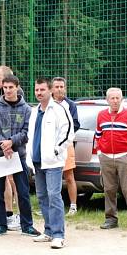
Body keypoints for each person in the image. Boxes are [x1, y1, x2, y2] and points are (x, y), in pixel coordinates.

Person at [0, 74, 41, 238]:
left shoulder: (26, 109)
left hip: (18, 155)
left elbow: (26, 132)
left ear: (17, 87)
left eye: (11, 87)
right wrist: (3, 144)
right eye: (5, 87)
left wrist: (11, 142)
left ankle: (27, 226)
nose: (8, 90)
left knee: (23, 192)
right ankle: (1, 225)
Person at [26, 78, 73, 249]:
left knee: (54, 196)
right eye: (37, 90)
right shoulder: (34, 111)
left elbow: (68, 132)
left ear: (50, 90)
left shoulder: (59, 109)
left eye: (42, 89)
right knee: (42, 196)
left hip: (53, 161)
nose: (39, 93)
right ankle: (48, 231)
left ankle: (59, 235)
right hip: (37, 161)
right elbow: (30, 135)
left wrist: (56, 150)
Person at [95, 87, 127, 231]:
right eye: (112, 98)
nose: (115, 101)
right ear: (107, 100)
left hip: (124, 157)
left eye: (117, 98)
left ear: (121, 99)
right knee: (109, 189)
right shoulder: (101, 115)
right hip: (106, 158)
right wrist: (99, 152)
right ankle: (111, 219)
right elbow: (98, 135)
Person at [0, 65, 19, 230]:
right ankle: (7, 215)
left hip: (16, 146)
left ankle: (17, 216)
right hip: (1, 146)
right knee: (6, 179)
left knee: (17, 181)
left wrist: (9, 143)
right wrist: (1, 143)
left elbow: (16, 125)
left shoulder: (17, 98)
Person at [52, 77, 81, 215]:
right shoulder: (48, 103)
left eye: (61, 86)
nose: (59, 89)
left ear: (65, 88)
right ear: (52, 89)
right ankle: (50, 205)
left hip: (66, 145)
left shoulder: (70, 105)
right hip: (49, 146)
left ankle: (73, 206)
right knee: (50, 176)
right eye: (56, 86)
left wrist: (63, 136)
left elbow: (75, 124)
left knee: (69, 176)